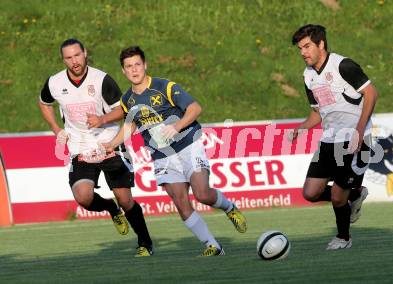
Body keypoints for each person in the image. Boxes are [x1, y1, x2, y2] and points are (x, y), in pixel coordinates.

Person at [103, 46, 247, 256]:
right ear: (123, 71)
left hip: (188, 144)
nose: (134, 70)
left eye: (137, 64)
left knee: (202, 193)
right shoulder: (127, 100)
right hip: (162, 156)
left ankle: (229, 208)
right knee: (181, 202)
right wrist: (111, 144)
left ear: (145, 65)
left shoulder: (165, 86)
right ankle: (213, 246)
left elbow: (195, 108)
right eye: (128, 66)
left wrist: (177, 127)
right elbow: (130, 126)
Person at [39, 39, 154, 257]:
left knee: (126, 200)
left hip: (109, 144)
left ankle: (144, 242)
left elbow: (123, 110)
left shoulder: (101, 79)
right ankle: (111, 209)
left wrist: (101, 120)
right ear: (63, 59)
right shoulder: (54, 82)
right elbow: (44, 103)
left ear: (84, 53)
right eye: (69, 58)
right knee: (83, 197)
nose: (74, 61)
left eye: (77, 55)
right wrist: (56, 128)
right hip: (80, 149)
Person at [289, 24, 378, 250]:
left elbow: (371, 93)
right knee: (310, 192)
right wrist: (302, 127)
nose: (303, 52)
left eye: (307, 46)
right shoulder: (308, 76)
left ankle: (343, 238)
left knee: (338, 197)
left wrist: (359, 130)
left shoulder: (343, 65)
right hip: (329, 141)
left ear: (321, 44)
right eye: (300, 48)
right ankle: (355, 193)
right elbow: (318, 112)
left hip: (356, 140)